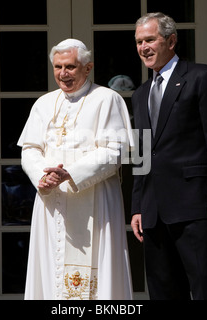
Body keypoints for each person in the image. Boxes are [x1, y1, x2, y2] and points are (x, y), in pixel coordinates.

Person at [130, 12, 207, 300]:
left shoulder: (203, 77)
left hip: (194, 205)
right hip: (153, 212)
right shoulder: (140, 94)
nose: (144, 48)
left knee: (204, 288)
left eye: (150, 39)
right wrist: (138, 205)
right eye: (139, 42)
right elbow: (141, 151)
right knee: (163, 291)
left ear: (172, 40)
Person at [17, 38, 134, 300]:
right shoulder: (44, 104)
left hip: (95, 202)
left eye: (70, 66)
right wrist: (42, 176)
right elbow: (29, 149)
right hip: (52, 204)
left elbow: (115, 151)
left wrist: (70, 173)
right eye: (58, 67)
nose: (63, 73)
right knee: (50, 273)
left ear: (87, 67)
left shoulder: (108, 99)